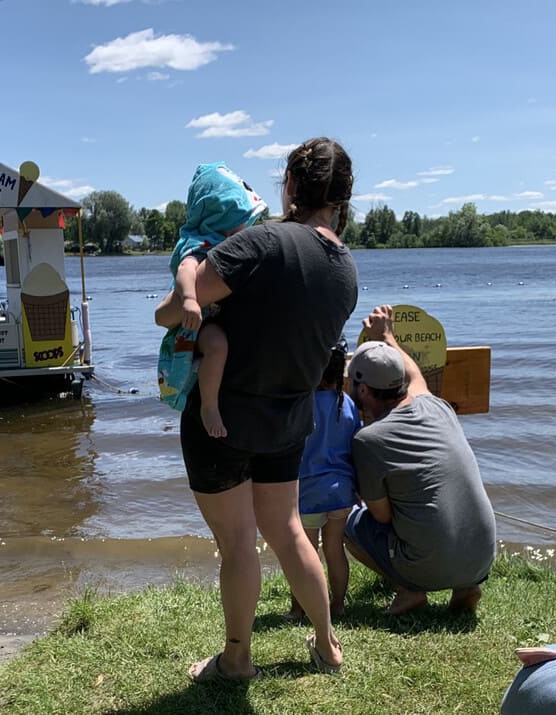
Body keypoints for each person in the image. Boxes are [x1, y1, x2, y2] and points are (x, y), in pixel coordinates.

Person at [155, 137, 358, 681]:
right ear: (343, 198)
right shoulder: (345, 269)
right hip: (289, 420)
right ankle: (326, 644)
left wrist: (168, 306)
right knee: (288, 530)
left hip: (221, 418)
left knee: (238, 544)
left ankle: (237, 658)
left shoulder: (260, 244)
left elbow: (176, 308)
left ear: (290, 185)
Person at [343, 304, 496, 615]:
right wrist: (387, 335)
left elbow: (382, 518)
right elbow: (415, 375)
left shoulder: (368, 440)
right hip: (482, 560)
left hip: (426, 568)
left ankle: (409, 590)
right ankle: (466, 586)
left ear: (361, 388)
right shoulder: (436, 407)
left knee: (349, 525)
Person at [156, 162, 267, 437]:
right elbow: (186, 269)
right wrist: (191, 299)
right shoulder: (201, 242)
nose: (246, 227)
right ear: (220, 218)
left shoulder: (233, 243)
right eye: (240, 220)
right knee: (217, 345)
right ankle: (209, 405)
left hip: (214, 316)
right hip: (197, 320)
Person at [286, 338, 361, 621]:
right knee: (335, 549)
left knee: (304, 551)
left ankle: (298, 608)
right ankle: (339, 605)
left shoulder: (302, 405)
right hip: (341, 491)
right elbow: (355, 445)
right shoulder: (349, 404)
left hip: (308, 492)